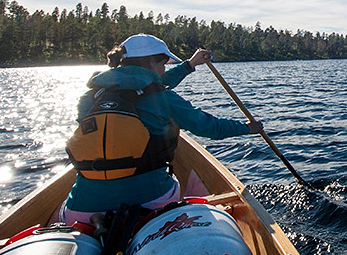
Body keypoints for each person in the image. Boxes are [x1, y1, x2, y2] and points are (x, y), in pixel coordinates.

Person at [57, 33, 259, 224]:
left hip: (82, 209)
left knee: (66, 207)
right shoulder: (162, 98)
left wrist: (189, 65)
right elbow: (208, 127)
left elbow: (144, 87)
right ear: (151, 62)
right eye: (163, 63)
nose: (164, 69)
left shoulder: (90, 97)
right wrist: (248, 128)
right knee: (174, 184)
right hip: (151, 201)